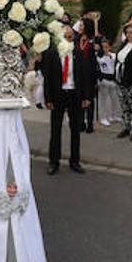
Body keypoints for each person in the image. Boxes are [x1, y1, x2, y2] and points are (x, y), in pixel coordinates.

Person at [40, 26, 94, 174]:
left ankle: (75, 161)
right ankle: (53, 161)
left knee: (75, 129)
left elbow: (84, 76)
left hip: (74, 94)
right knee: (56, 129)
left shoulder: (77, 52)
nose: (69, 39)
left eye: (71, 37)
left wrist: (86, 97)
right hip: (58, 94)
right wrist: (48, 98)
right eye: (66, 36)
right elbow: (48, 77)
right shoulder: (52, 53)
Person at [94, 40, 121, 128]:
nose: (105, 49)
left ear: (109, 47)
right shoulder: (98, 57)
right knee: (103, 100)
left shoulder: (113, 56)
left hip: (113, 79)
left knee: (115, 98)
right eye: (103, 47)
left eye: (106, 47)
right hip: (103, 80)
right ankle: (103, 117)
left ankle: (115, 115)